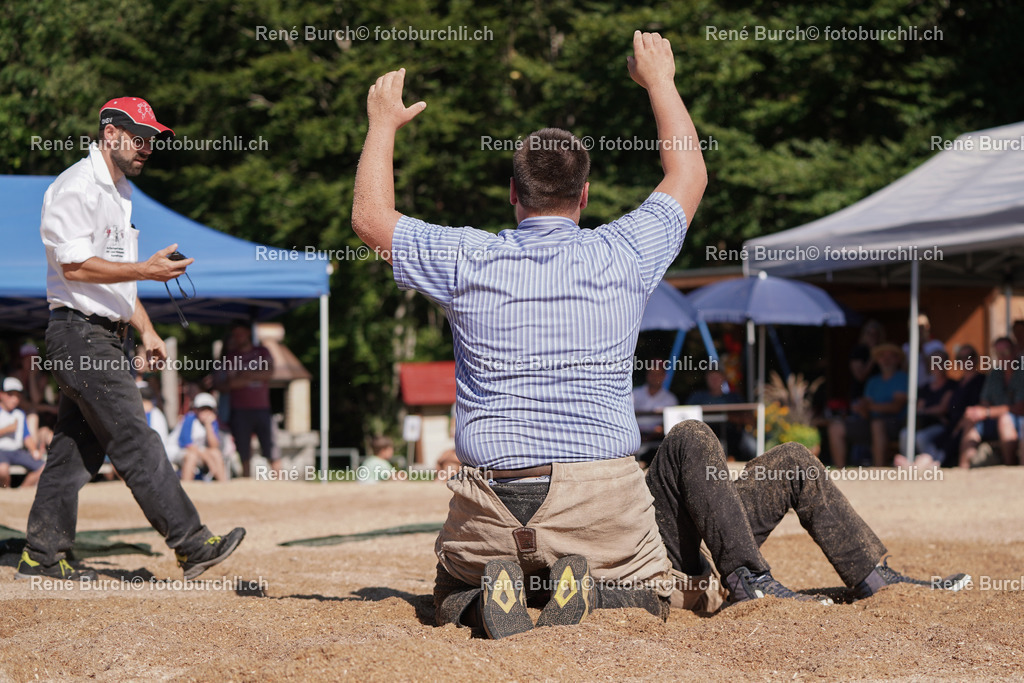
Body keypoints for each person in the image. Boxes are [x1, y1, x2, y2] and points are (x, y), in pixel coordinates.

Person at [351, 32, 965, 639]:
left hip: (492, 518)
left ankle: (478, 603)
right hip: (600, 515)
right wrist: (660, 82)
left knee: (453, 584)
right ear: (585, 196)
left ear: (513, 194)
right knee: (697, 459)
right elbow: (688, 172)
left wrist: (382, 124)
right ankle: (781, 582)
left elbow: (370, 219)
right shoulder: (623, 252)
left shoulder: (467, 257)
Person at [16, 97, 244, 582]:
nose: (148, 148)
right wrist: (145, 270)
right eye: (140, 138)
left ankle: (41, 555)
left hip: (101, 337)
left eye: (153, 140)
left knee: (75, 451)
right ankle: (191, 543)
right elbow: (74, 266)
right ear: (110, 134)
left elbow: (115, 281)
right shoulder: (75, 187)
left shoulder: (120, 193)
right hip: (79, 336)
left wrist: (147, 329)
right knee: (136, 440)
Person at [828, 343, 909, 467]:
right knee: (835, 427)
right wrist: (861, 409)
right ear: (877, 360)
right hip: (870, 423)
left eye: (890, 356)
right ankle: (840, 473)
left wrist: (869, 407)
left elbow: (896, 407)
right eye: (882, 356)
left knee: (877, 424)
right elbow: (866, 411)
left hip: (894, 424)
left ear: (898, 359)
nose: (886, 360)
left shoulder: (903, 378)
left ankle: (878, 471)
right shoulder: (873, 381)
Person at [217, 323, 277, 477]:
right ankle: (246, 482)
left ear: (248, 334)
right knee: (243, 451)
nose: (238, 337)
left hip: (262, 407)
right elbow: (231, 383)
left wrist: (245, 375)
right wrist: (257, 374)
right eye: (235, 334)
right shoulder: (231, 356)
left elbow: (270, 373)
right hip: (240, 409)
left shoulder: (262, 351)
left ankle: (280, 481)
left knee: (271, 448)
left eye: (240, 333)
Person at [957, 336, 1024, 468]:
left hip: (1017, 421)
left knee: (1004, 420)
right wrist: (977, 412)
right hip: (995, 420)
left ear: (1015, 351)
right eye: (998, 354)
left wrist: (987, 412)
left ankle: (1010, 468)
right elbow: (985, 401)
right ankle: (963, 469)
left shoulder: (1022, 372)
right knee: (972, 420)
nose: (1002, 357)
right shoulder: (995, 374)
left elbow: (1020, 408)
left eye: (1006, 352)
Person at [894, 349, 955, 469]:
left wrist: (927, 411)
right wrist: (931, 411)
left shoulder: (951, 385)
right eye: (934, 362)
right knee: (905, 434)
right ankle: (909, 463)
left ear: (946, 364)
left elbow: (942, 408)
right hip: (925, 424)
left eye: (940, 362)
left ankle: (931, 462)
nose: (936, 366)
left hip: (941, 425)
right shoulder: (925, 388)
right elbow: (919, 409)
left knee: (921, 437)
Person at [686, 368, 756, 461]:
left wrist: (732, 418)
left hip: (732, 436)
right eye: (711, 377)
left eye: (717, 377)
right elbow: (685, 416)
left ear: (724, 378)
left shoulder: (734, 397)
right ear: (706, 379)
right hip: (702, 436)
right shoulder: (697, 397)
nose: (714, 381)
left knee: (752, 446)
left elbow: (749, 419)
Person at [167, 392, 227, 482]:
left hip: (198, 452)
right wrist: (205, 456)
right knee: (192, 456)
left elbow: (214, 446)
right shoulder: (189, 419)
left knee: (216, 454)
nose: (206, 413)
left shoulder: (212, 422)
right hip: (176, 451)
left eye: (208, 409)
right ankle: (188, 486)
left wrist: (208, 426)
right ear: (196, 410)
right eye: (202, 409)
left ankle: (223, 484)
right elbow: (185, 443)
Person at [0, 378, 44, 488]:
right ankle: (6, 491)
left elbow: (26, 436)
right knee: (3, 471)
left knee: (43, 467)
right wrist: (6, 429)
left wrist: (34, 450)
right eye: (10, 395)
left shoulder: (20, 414)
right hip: (1, 451)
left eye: (17, 396)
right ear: (1, 394)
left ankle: (21, 491)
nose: (14, 399)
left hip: (17, 451)